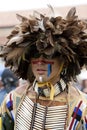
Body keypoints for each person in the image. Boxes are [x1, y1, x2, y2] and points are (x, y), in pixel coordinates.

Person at [0, 7, 87, 130]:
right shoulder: (12, 101)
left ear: (65, 61)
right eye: (35, 55)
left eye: (49, 54)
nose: (40, 62)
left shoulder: (81, 106)